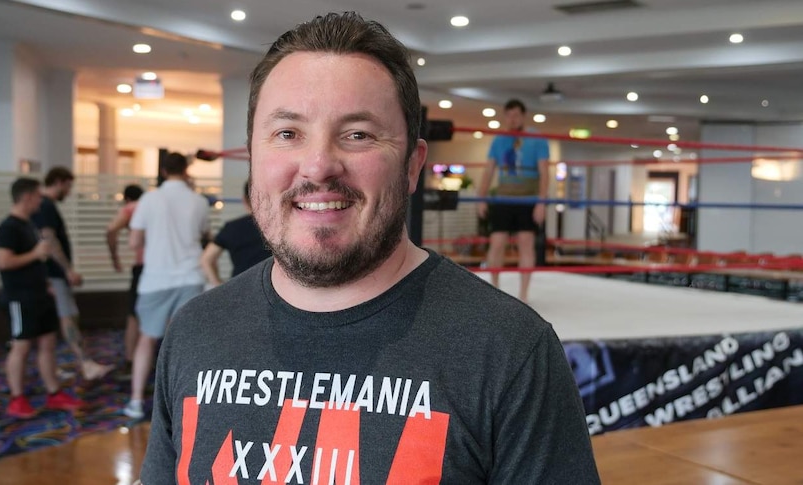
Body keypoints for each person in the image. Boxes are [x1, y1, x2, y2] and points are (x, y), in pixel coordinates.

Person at [139, 12, 598, 484]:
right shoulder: (195, 330)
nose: (318, 166)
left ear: (413, 165)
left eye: (357, 134)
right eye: (287, 134)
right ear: (253, 157)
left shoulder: (509, 351)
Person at [124, 153, 210, 419]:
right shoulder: (198, 201)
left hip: (156, 279)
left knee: (147, 339)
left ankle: (136, 401)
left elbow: (134, 243)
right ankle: (184, 403)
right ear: (185, 170)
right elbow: (205, 237)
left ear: (162, 170)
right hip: (190, 277)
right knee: (185, 343)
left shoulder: (149, 200)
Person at [0, 177, 84, 419]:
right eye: (37, 196)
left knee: (48, 344)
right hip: (19, 297)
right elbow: (4, 262)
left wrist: (46, 284)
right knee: (21, 346)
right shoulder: (8, 227)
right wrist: (35, 254)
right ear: (26, 198)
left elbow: (35, 261)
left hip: (39, 294)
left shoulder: (29, 225)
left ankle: (54, 392)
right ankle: (17, 397)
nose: (40, 200)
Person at [32, 166, 114, 381]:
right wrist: (67, 270)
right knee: (68, 317)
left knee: (53, 321)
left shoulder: (40, 205)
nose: (68, 193)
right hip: (53, 273)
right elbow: (49, 238)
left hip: (46, 274)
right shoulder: (46, 206)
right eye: (68, 186)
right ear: (58, 182)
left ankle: (52, 367)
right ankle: (85, 363)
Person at [476, 99, 550, 301]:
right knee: (497, 243)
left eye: (516, 115)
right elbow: (489, 169)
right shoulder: (499, 140)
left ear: (523, 115)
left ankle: (524, 295)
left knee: (526, 243)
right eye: (509, 115)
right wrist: (481, 198)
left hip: (528, 199)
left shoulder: (537, 139)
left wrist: (541, 203)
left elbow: (544, 172)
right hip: (503, 199)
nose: (512, 119)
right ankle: (494, 290)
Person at [105, 184, 145, 375]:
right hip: (168, 269)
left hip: (144, 267)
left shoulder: (132, 208)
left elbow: (111, 229)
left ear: (126, 198)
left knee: (134, 315)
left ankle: (130, 360)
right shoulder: (152, 205)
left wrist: (115, 257)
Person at [200, 180, 270, 287]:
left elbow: (207, 259)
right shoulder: (278, 227)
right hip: (272, 289)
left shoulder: (232, 227)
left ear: (244, 200)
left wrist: (218, 285)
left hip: (239, 287)